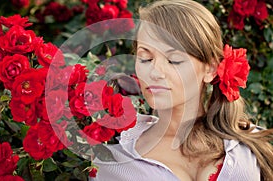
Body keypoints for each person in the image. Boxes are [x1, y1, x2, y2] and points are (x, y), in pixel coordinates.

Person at [90, 0, 273, 180]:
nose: (154, 73)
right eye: (145, 58)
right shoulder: (113, 161)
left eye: (173, 60)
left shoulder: (248, 146)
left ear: (209, 69)